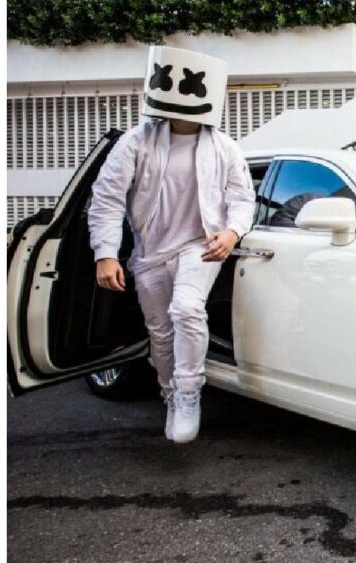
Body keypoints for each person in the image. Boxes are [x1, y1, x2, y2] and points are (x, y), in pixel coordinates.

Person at [87, 46, 254, 443]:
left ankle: (190, 393)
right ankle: (170, 395)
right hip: (150, 253)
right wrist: (105, 254)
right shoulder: (135, 142)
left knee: (187, 309)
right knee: (160, 332)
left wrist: (232, 233)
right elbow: (107, 198)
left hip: (201, 247)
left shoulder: (225, 148)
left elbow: (243, 199)